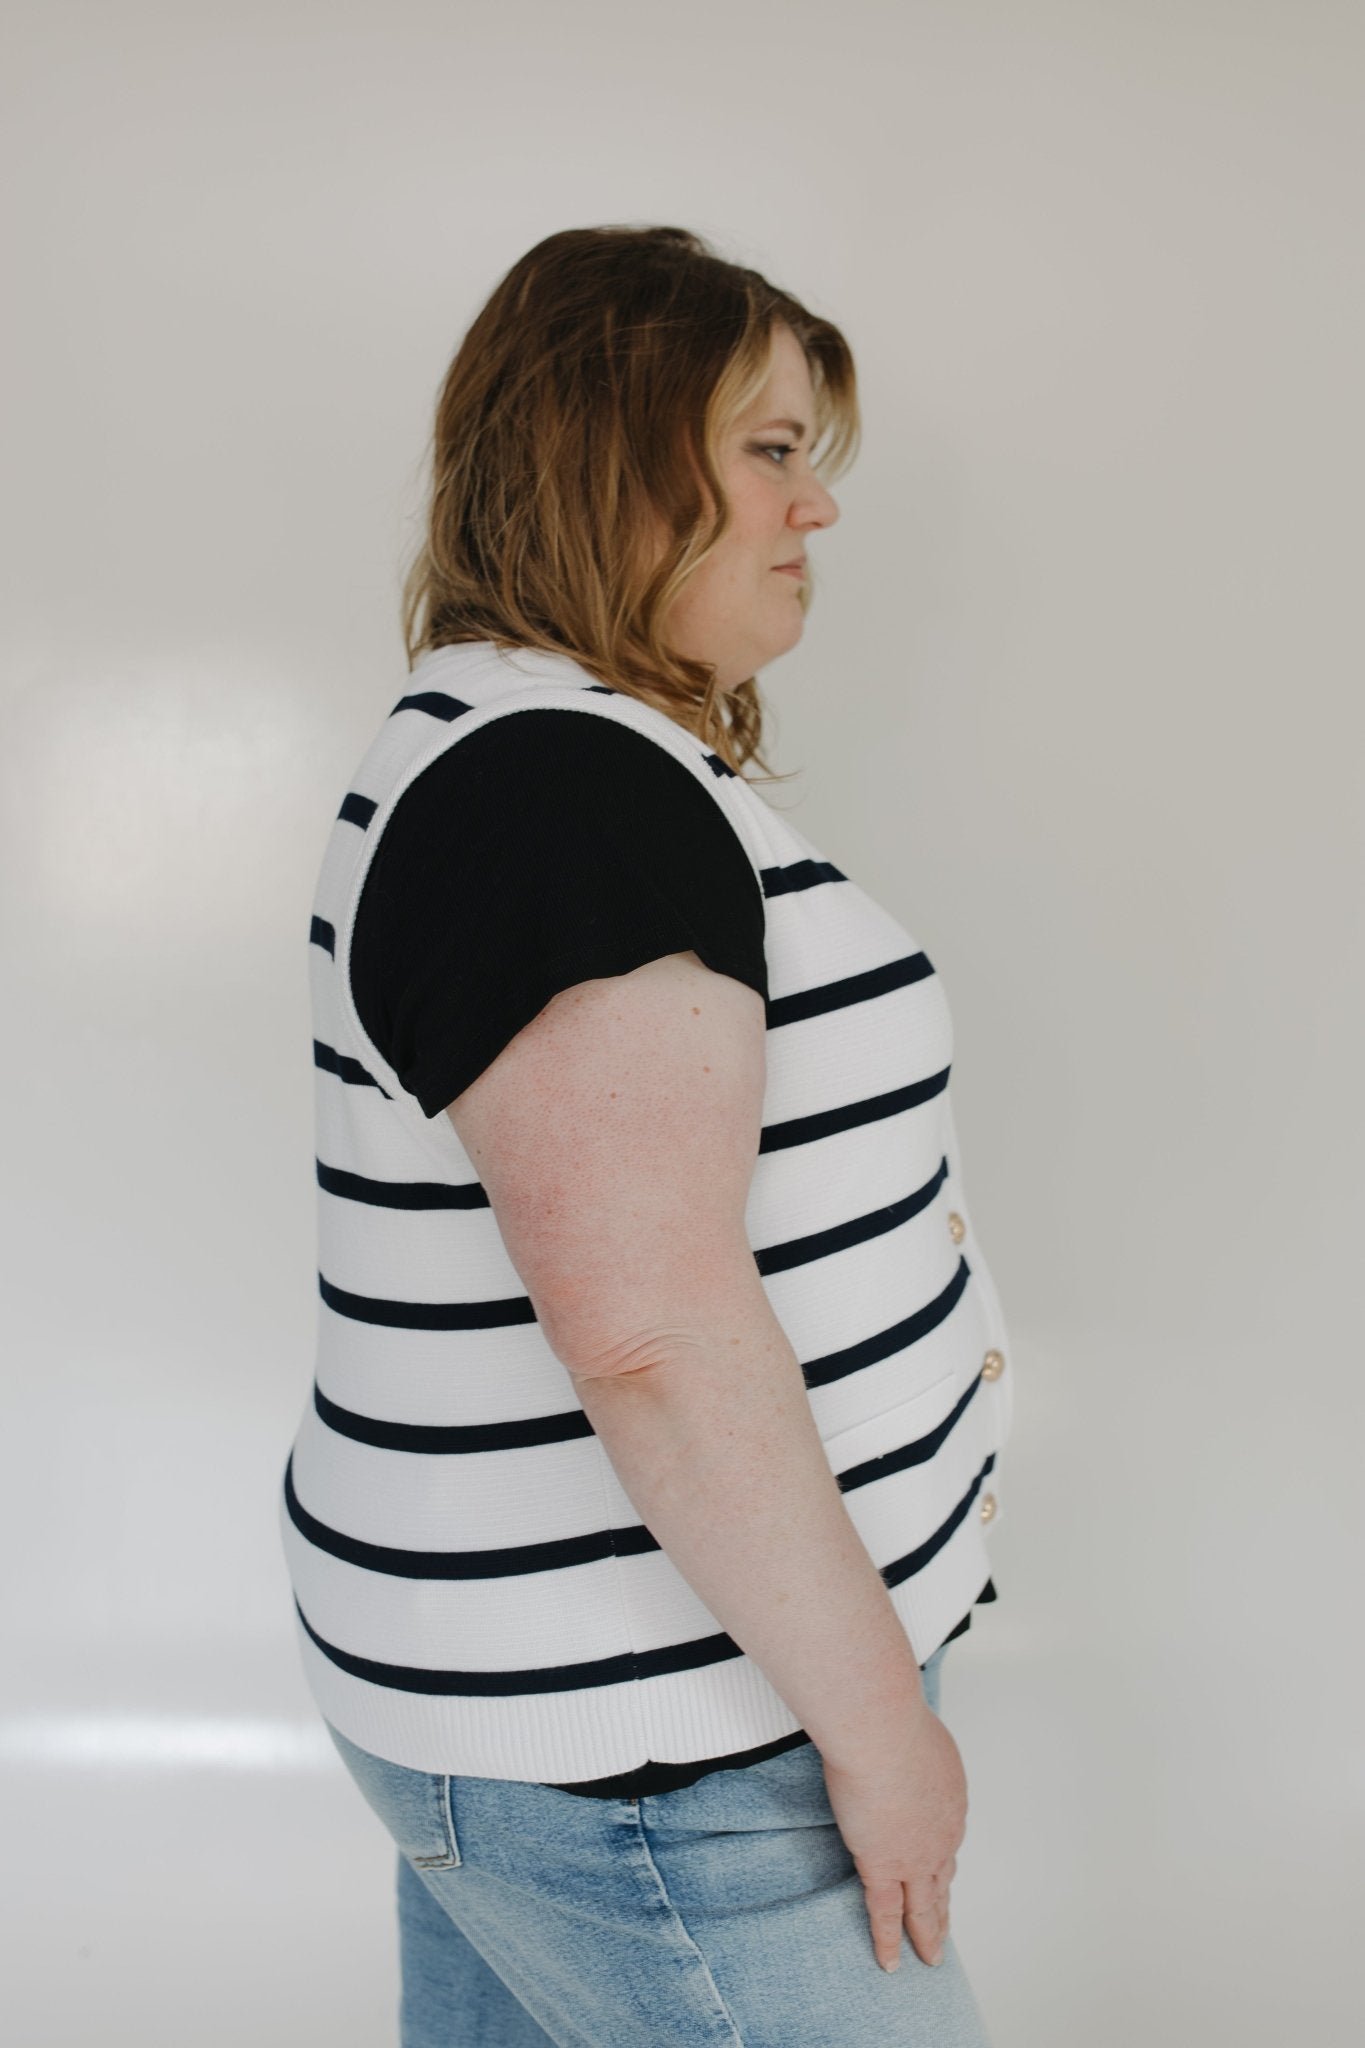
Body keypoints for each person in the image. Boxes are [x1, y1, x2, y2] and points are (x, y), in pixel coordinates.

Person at [281, 223, 1013, 2046]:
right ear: (603, 454)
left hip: (594, 1707)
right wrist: (879, 1731)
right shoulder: (554, 789)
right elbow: (654, 1342)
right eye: (767, 449)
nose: (814, 507)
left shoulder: (537, 748)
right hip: (663, 1748)